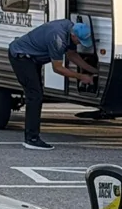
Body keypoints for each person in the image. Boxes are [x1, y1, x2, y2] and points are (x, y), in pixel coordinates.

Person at [7, 18, 97, 149]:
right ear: (73, 35)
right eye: (79, 41)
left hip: (32, 58)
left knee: (37, 95)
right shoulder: (58, 38)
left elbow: (72, 55)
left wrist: (92, 70)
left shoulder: (69, 27)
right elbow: (58, 68)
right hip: (21, 57)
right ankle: (31, 139)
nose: (79, 44)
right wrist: (81, 76)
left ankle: (32, 136)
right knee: (35, 96)